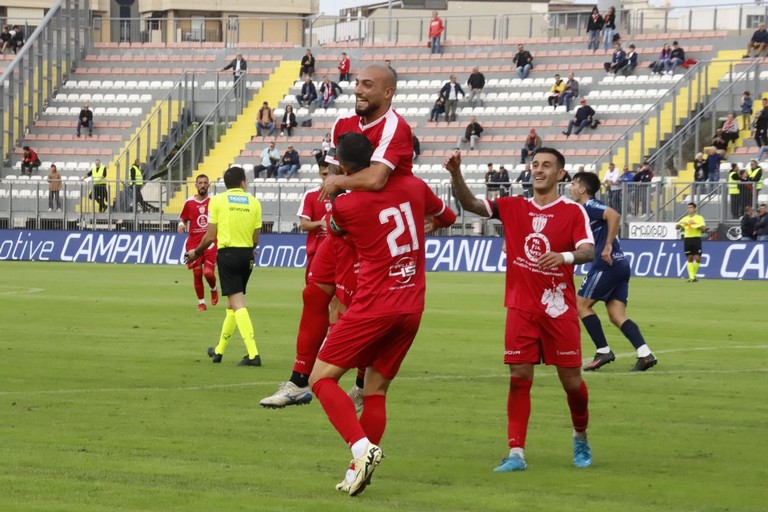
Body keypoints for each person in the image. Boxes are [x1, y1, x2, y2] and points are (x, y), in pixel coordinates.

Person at [309, 131, 455, 496]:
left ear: (342, 166)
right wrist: (428, 225)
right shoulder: (414, 186)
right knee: (375, 390)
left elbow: (336, 232)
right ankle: (356, 471)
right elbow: (448, 216)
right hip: (412, 304)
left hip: (375, 305)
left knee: (320, 379)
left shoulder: (345, 205)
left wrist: (338, 190)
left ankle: (361, 448)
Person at [444, 147, 595, 472]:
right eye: (535, 164)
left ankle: (580, 435)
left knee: (572, 383)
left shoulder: (572, 211)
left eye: (547, 166)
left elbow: (588, 250)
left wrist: (564, 256)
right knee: (518, 378)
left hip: (558, 309)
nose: (539, 170)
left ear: (560, 174)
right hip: (521, 309)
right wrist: (455, 174)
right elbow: (471, 204)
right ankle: (516, 453)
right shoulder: (513, 206)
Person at [570, 171, 658, 372]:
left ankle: (603, 351)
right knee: (616, 314)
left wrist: (608, 245)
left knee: (581, 305)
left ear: (582, 189)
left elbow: (614, 215)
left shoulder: (589, 206)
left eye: (574, 184)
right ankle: (645, 354)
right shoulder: (584, 211)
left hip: (606, 263)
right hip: (620, 264)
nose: (570, 187)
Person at [188, 167, 263, 367]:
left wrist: (196, 252)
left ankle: (253, 354)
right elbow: (256, 238)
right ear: (242, 182)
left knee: (237, 303)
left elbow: (210, 236)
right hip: (247, 255)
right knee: (231, 304)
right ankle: (219, 351)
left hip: (228, 255)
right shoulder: (254, 202)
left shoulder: (218, 201)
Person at [319, 64, 414, 201]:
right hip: (360, 208)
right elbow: (335, 172)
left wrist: (337, 181)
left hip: (394, 209)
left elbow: (375, 180)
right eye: (357, 83)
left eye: (367, 85)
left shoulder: (395, 127)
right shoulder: (343, 120)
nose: (357, 90)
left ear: (387, 93)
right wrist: (339, 215)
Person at [178, 174, 219, 312]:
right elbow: (183, 218)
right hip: (193, 243)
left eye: (205, 183)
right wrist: (181, 225)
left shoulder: (214, 201)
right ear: (196, 185)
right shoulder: (189, 202)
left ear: (208, 185)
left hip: (210, 241)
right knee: (197, 274)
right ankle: (201, 303)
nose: (202, 185)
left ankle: (213, 288)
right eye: (200, 183)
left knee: (208, 273)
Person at [296, 161, 331, 280]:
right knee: (315, 295)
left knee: (341, 296)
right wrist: (321, 223)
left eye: (331, 173)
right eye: (324, 174)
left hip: (341, 254)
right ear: (320, 173)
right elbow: (304, 225)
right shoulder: (310, 195)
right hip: (317, 253)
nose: (328, 177)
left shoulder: (346, 194)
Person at [676, 202, 706, 282]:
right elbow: (677, 227)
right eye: (688, 208)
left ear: (695, 209)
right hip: (688, 239)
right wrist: (681, 224)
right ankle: (692, 277)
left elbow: (703, 229)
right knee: (689, 258)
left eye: (691, 208)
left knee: (698, 258)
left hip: (696, 239)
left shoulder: (699, 218)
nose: (689, 209)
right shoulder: (685, 218)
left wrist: (695, 224)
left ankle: (693, 275)